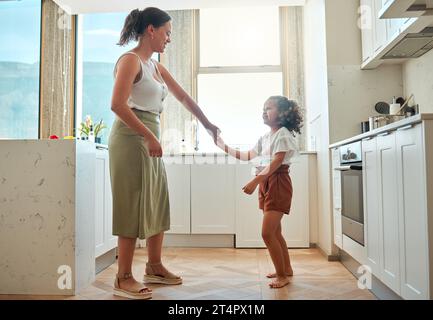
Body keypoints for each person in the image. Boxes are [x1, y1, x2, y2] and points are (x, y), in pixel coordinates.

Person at [109, 7, 220, 299]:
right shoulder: (129, 61)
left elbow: (183, 96)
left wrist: (208, 125)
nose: (169, 38)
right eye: (167, 32)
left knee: (157, 199)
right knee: (132, 201)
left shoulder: (155, 66)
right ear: (151, 30)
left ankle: (154, 266)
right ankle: (123, 277)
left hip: (150, 136)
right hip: (130, 135)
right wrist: (148, 136)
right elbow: (118, 105)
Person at [216, 96, 302, 289]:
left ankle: (282, 276)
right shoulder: (265, 138)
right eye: (263, 108)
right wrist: (223, 146)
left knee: (267, 233)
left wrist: (255, 181)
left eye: (269, 108)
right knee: (276, 232)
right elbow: (248, 156)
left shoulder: (283, 134)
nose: (264, 111)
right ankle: (286, 269)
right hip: (266, 182)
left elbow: (277, 162)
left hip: (278, 182)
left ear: (282, 113)